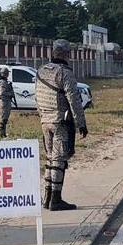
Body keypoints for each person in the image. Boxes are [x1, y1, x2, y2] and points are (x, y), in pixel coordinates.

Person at [35, 39, 88, 211]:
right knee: (59, 160)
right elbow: (74, 100)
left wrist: (43, 115)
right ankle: (56, 200)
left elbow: (37, 97)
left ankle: (47, 197)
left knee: (50, 159)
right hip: (60, 122)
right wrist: (81, 124)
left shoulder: (40, 71)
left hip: (45, 121)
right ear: (66, 54)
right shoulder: (65, 73)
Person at [0, 67, 15, 138]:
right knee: (3, 118)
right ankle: (1, 133)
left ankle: (3, 133)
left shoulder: (2, 81)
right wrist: (10, 93)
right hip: (4, 102)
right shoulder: (3, 82)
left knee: (5, 118)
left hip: (4, 102)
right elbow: (2, 93)